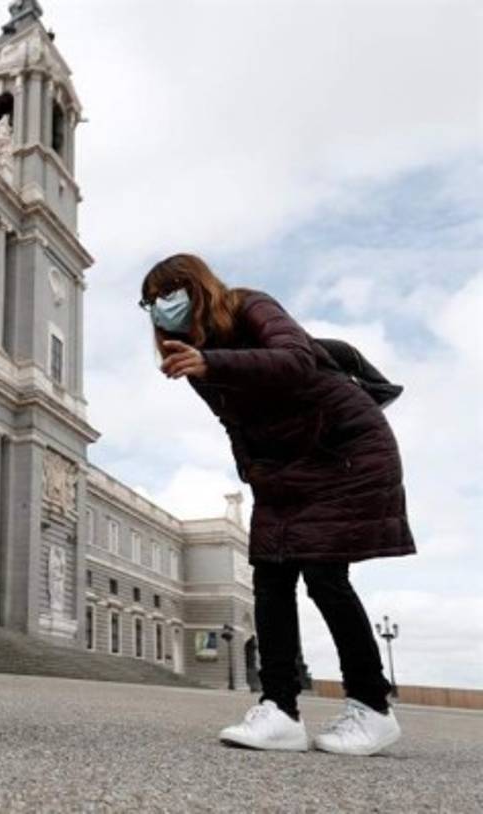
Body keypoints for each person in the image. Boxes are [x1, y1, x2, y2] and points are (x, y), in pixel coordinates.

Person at [140, 254, 415, 756]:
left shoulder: (250, 307)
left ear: (195, 286)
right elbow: (234, 421)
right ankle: (280, 711)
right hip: (284, 464)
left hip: (345, 448)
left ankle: (372, 707)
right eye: (151, 301)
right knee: (269, 576)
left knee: (325, 577)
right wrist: (253, 473)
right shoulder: (195, 356)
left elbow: (296, 360)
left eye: (168, 292)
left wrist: (213, 361)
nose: (160, 306)